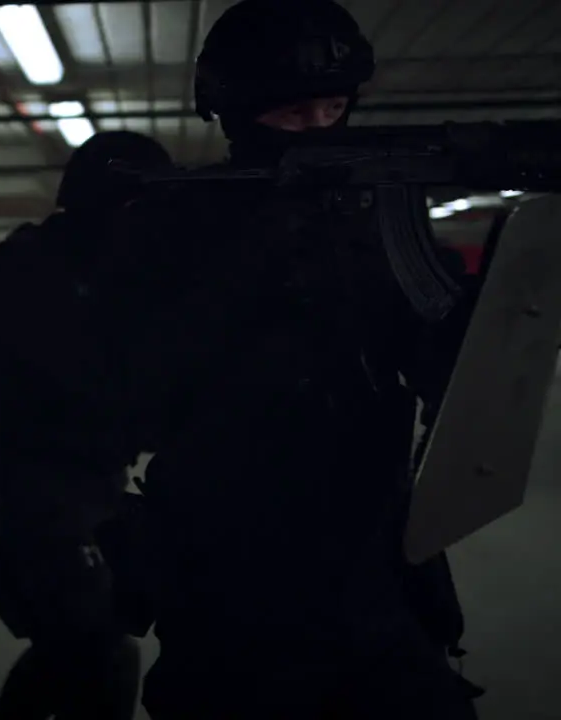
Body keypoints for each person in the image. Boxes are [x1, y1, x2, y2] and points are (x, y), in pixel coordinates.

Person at [104, 1, 482, 717]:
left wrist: (490, 310)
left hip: (371, 542)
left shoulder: (375, 215)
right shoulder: (168, 224)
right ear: (234, 114)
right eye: (290, 115)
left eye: (333, 107)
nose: (317, 129)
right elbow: (139, 391)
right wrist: (255, 262)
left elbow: (438, 367)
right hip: (228, 555)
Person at [0, 130, 174, 720]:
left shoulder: (99, 262)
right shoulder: (35, 265)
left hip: (83, 478)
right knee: (99, 649)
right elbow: (86, 379)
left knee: (75, 647)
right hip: (32, 480)